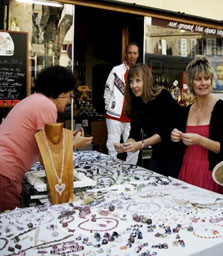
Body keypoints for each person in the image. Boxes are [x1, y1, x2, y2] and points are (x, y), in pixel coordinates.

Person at [0, 66, 92, 211]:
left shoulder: (35, 100)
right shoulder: (47, 106)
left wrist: (67, 138)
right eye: (69, 95)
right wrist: (73, 145)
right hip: (6, 173)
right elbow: (50, 157)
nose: (69, 101)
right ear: (60, 93)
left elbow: (43, 138)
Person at [171, 57, 223, 195]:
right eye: (198, 79)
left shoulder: (222, 108)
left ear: (211, 80)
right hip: (186, 172)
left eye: (206, 78)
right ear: (191, 82)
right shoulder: (185, 111)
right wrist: (174, 136)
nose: (203, 83)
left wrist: (200, 140)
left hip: (211, 175)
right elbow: (177, 147)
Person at [114, 63, 183, 178]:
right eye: (131, 81)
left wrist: (141, 144)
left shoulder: (163, 96)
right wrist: (127, 145)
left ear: (146, 80)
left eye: (138, 80)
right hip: (158, 154)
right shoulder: (136, 102)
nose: (133, 85)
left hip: (176, 154)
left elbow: (165, 132)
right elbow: (134, 133)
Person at [104, 42, 140, 164]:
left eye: (135, 53)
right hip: (114, 116)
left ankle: (130, 171)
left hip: (131, 117)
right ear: (126, 54)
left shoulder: (139, 73)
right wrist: (110, 107)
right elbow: (108, 91)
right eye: (130, 53)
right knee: (113, 146)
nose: (132, 56)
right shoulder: (116, 70)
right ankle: (112, 171)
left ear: (138, 55)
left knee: (133, 148)